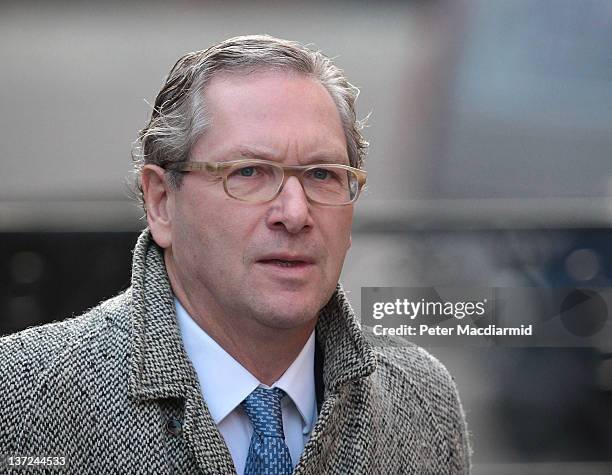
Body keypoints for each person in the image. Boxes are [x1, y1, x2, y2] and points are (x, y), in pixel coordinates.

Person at [0, 35, 470, 474]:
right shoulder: (21, 397)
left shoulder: (422, 399)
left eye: (322, 175)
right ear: (161, 202)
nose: (294, 212)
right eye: (248, 173)